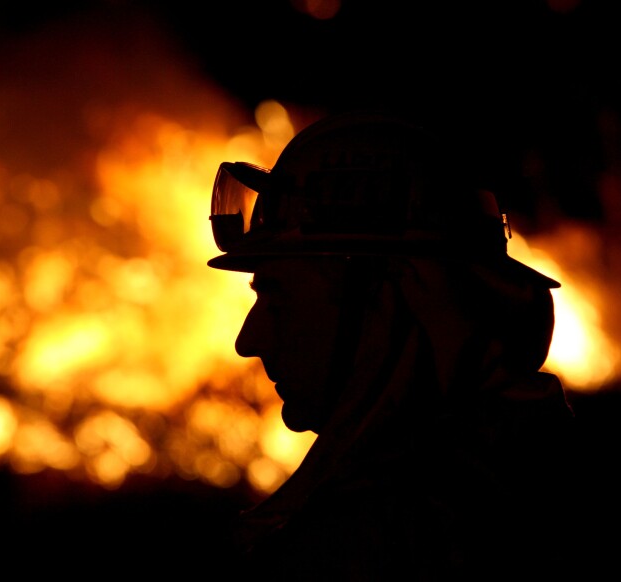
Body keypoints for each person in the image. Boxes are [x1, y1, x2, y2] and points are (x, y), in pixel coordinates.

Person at [205, 111, 595, 580]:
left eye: (277, 296)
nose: (249, 340)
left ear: (387, 300)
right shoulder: (575, 483)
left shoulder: (367, 553)